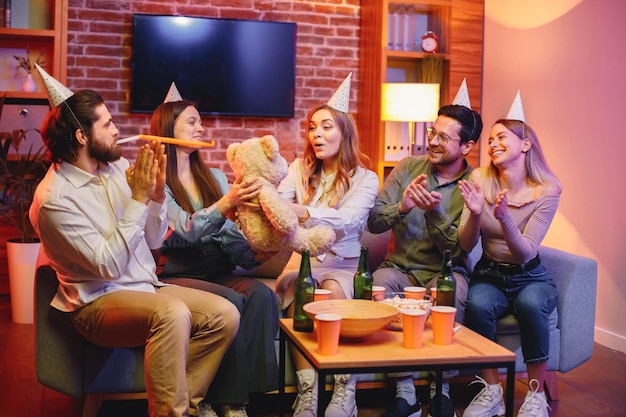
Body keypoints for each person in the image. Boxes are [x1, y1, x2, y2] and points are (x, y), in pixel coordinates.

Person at [29, 67, 239, 417]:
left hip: (144, 288)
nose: (116, 131)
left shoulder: (113, 167)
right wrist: (140, 199)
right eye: (108, 124)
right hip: (96, 303)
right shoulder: (54, 200)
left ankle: (186, 406)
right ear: (82, 136)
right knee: (171, 313)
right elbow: (108, 266)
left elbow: (155, 239)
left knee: (225, 314)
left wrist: (155, 197)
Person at [150, 89, 280, 417]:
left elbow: (231, 239)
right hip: (179, 275)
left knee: (263, 296)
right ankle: (225, 400)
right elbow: (177, 235)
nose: (201, 128)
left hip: (220, 270)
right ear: (169, 129)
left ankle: (243, 399)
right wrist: (225, 205)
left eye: (201, 122)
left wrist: (254, 256)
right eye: (192, 122)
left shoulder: (217, 178)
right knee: (231, 302)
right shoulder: (157, 184)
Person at [367, 80, 483, 417]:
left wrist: (434, 213)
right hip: (399, 268)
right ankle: (404, 390)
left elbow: (459, 250)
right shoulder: (406, 168)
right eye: (433, 132)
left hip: (444, 271)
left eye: (444, 137)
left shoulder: (472, 186)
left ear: (467, 146)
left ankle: (440, 389)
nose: (432, 141)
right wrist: (401, 207)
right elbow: (374, 222)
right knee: (379, 284)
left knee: (452, 291)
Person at [275, 73, 380, 417]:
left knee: (334, 293)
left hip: (343, 264)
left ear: (345, 132)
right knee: (299, 292)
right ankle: (309, 389)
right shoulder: (298, 169)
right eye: (311, 128)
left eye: (326, 127)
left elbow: (349, 220)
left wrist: (303, 210)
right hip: (302, 262)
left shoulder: (367, 178)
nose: (316, 134)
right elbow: (278, 206)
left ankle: (343, 390)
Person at [458, 92, 561, 417]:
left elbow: (525, 253)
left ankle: (535, 396)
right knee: (477, 303)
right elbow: (464, 245)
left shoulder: (547, 190)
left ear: (525, 144)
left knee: (531, 304)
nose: (492, 144)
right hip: (489, 273)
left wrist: (503, 218)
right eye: (489, 139)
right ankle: (492, 392)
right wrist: (475, 214)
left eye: (502, 137)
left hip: (530, 275)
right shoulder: (480, 178)